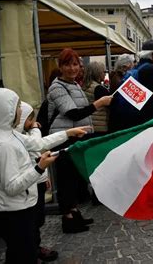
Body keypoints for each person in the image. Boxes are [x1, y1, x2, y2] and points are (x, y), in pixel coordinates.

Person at [47, 48, 113, 233]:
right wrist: (99, 104)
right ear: (60, 66)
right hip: (63, 138)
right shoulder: (57, 87)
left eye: (75, 64)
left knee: (75, 178)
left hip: (77, 137)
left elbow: (82, 111)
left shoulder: (74, 84)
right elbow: (73, 112)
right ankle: (68, 219)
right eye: (67, 64)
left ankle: (75, 213)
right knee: (66, 179)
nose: (72, 68)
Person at [14, 101, 89, 262]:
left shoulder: (22, 136)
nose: (33, 123)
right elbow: (38, 146)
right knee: (29, 226)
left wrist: (43, 176)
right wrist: (67, 133)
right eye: (29, 119)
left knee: (38, 219)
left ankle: (34, 247)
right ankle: (32, 250)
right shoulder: (10, 143)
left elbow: (38, 149)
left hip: (35, 183)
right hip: (24, 191)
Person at [0, 88, 58, 263]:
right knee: (22, 255)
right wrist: (39, 168)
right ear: (5, 111)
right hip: (13, 212)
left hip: (16, 209)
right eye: (17, 107)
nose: (20, 111)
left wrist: (69, 133)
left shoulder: (10, 135)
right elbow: (12, 187)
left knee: (19, 252)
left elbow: (38, 142)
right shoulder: (4, 145)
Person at [82, 61, 110, 136]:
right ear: (98, 73)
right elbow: (111, 105)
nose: (105, 74)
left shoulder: (84, 86)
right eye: (104, 71)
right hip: (100, 126)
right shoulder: (99, 88)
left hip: (88, 125)